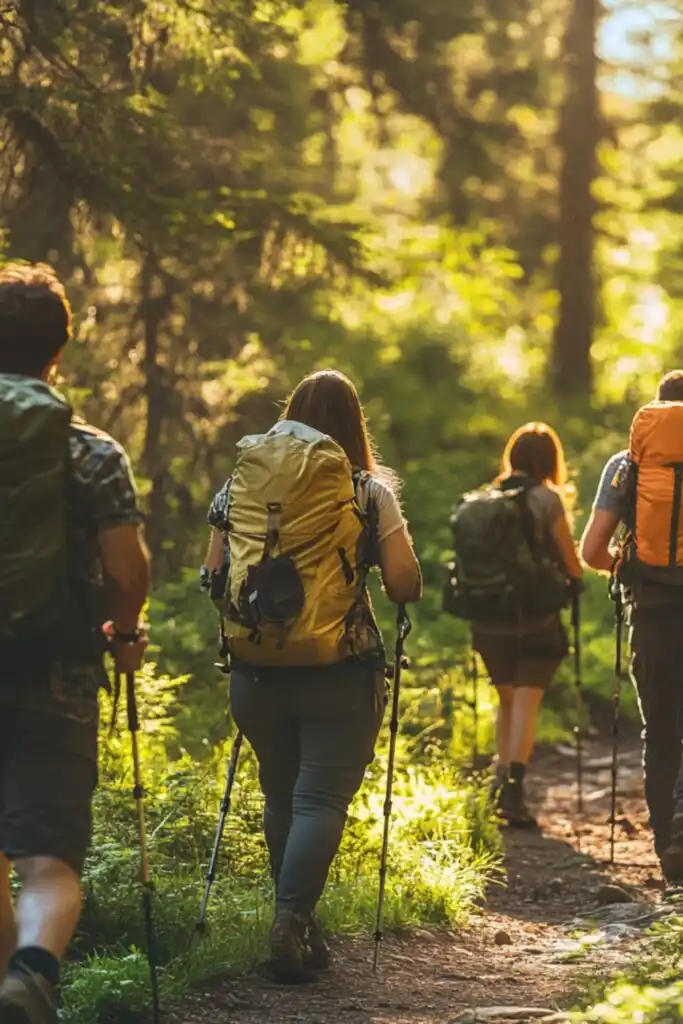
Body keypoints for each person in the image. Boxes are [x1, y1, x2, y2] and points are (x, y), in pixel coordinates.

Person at [204, 369, 422, 984]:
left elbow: (214, 577)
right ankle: (292, 920)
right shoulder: (367, 492)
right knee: (320, 799)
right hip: (338, 668)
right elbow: (404, 584)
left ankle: (298, 925)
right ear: (354, 425)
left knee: (281, 797)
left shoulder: (238, 486)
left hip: (254, 670)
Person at [0, 264, 150, 1024]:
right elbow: (128, 570)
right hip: (56, 666)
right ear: (59, 350)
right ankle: (30, 973)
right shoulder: (91, 452)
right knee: (47, 857)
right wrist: (124, 637)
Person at [580, 370, 683, 885]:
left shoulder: (629, 465)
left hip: (652, 611)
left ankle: (670, 856)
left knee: (661, 732)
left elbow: (591, 550)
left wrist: (627, 558)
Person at [472, 423, 583, 827]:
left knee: (507, 699)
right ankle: (514, 791)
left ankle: (499, 781)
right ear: (549, 460)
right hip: (534, 617)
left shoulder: (487, 497)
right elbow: (571, 562)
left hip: (487, 618)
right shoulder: (546, 500)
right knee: (525, 701)